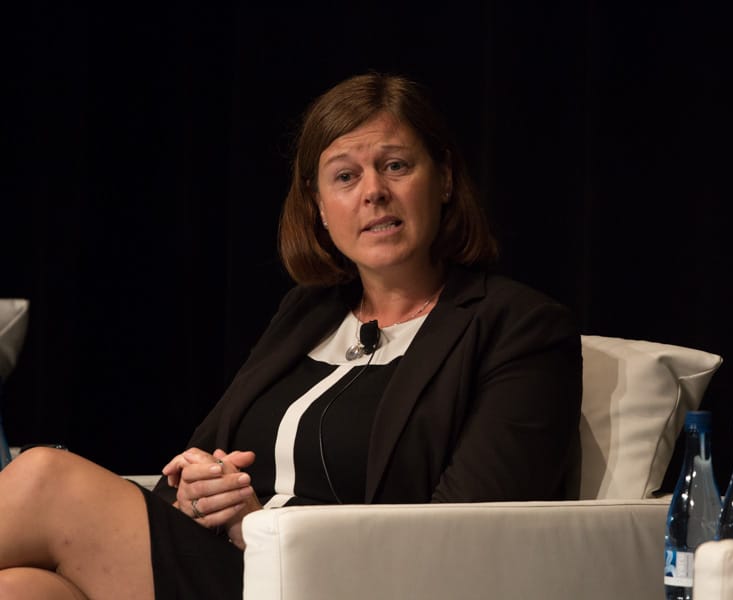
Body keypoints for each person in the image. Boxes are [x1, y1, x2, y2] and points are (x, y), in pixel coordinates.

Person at [0, 72, 582, 599]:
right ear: (320, 208)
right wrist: (196, 493)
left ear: (445, 179)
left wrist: (262, 524)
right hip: (233, 565)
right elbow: (201, 456)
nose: (373, 191)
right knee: (23, 589)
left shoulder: (518, 328)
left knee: (46, 477)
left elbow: (466, 535)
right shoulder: (309, 312)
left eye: (396, 166)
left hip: (342, 584)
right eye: (346, 176)